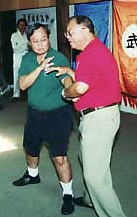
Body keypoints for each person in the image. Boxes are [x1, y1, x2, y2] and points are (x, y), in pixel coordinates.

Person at [52, 15, 127, 217]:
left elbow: (80, 88)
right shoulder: (92, 51)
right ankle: (89, 199)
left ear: (85, 30)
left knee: (95, 178)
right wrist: (69, 72)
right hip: (101, 116)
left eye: (71, 32)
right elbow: (90, 79)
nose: (68, 37)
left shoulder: (90, 54)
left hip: (99, 119)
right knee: (86, 159)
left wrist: (66, 91)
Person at [12, 23, 75, 215]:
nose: (40, 44)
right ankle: (33, 175)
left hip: (58, 115)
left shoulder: (58, 57)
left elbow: (66, 79)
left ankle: (68, 194)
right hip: (34, 114)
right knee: (31, 148)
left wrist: (68, 88)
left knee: (59, 157)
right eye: (35, 41)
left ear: (48, 38)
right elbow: (22, 85)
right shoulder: (27, 59)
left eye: (43, 39)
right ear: (29, 43)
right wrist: (40, 68)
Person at [11, 18, 29, 101]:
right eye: (20, 24)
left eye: (24, 25)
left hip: (26, 58)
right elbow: (15, 48)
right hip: (17, 58)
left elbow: (30, 46)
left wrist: (24, 48)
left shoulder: (27, 35)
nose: (22, 26)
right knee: (16, 76)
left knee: (26, 75)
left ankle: (26, 94)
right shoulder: (14, 35)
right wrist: (25, 47)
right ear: (18, 26)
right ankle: (16, 94)